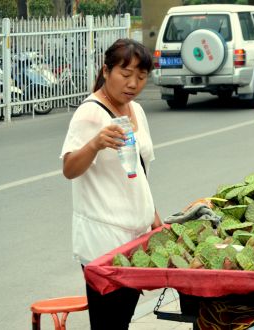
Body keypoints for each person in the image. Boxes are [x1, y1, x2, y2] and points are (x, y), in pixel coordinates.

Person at [61, 39, 162, 329]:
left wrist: (155, 219)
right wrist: (94, 144)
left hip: (135, 238)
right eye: (126, 74)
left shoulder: (136, 111)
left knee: (122, 321)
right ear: (106, 71)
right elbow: (69, 169)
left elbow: (139, 173)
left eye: (141, 77)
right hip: (102, 241)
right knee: (109, 324)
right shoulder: (90, 113)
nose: (133, 84)